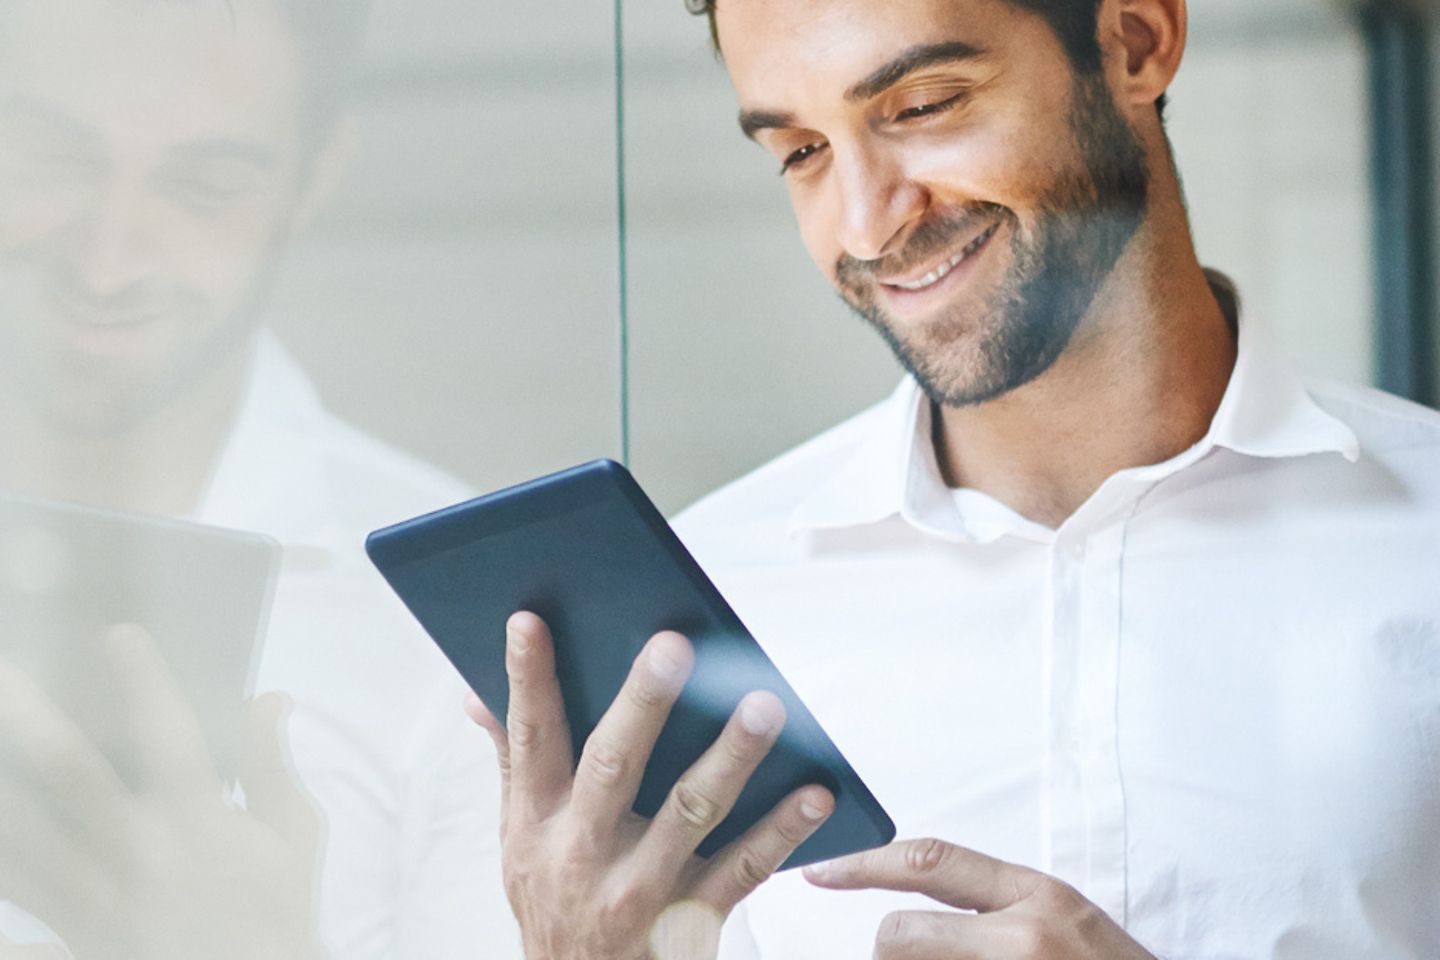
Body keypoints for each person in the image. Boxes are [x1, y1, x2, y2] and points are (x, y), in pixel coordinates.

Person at [464, 0, 1440, 957]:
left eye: (923, 105)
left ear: (1137, 39)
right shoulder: (712, 605)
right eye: (802, 152)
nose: (865, 223)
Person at [0, 1, 515, 956]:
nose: (108, 263)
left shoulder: (466, 617)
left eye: (203, 186)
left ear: (313, 182)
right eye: (53, 158)